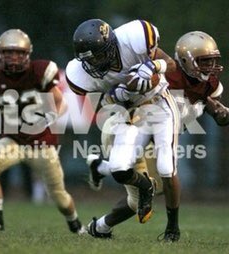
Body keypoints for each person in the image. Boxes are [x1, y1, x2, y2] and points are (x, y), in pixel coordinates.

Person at [85, 31, 229, 242]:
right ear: (184, 61)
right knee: (139, 198)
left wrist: (219, 111)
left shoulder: (208, 83)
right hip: (125, 126)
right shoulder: (162, 75)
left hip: (150, 138)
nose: (210, 66)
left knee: (160, 187)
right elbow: (120, 95)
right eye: (204, 61)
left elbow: (204, 100)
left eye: (212, 61)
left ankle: (100, 170)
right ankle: (100, 225)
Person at [0, 29, 85, 234]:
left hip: (42, 144)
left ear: (28, 54)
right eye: (8, 52)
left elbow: (60, 102)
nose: (13, 57)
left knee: (59, 196)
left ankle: (75, 223)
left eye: (19, 53)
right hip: (13, 141)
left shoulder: (40, 71)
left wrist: (49, 117)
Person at [65, 19, 181, 240]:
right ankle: (144, 186)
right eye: (89, 59)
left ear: (110, 46)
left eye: (98, 55)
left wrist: (154, 66)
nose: (94, 63)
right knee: (119, 168)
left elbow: (172, 66)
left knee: (166, 166)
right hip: (130, 113)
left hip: (159, 104)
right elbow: (101, 102)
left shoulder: (133, 39)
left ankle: (172, 229)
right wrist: (115, 96)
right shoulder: (81, 73)